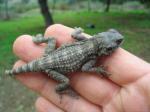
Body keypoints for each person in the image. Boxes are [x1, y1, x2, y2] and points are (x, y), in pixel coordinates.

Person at [13, 24, 150, 112]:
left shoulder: (86, 40)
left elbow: (74, 35)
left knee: (52, 39)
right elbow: (85, 68)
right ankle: (59, 90)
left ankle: (37, 40)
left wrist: (78, 30)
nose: (119, 39)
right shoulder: (92, 55)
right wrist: (98, 70)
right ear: (107, 49)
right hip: (50, 67)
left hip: (48, 56)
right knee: (65, 82)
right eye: (117, 42)